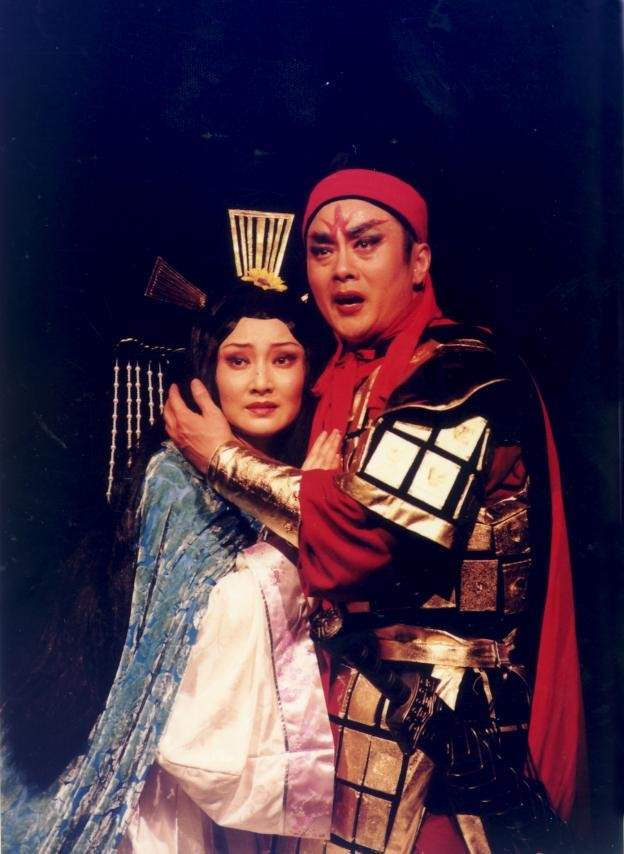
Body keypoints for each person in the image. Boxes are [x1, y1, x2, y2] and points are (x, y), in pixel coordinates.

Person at [164, 168, 584, 853]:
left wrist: (222, 457)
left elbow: (365, 533)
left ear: (418, 262)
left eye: (365, 243)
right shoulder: (339, 383)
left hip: (448, 732)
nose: (341, 268)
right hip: (338, 718)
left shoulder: (463, 373)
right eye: (322, 250)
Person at [2, 275, 337, 853]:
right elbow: (212, 636)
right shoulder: (175, 481)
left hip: (250, 765)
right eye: (238, 361)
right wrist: (294, 527)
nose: (261, 382)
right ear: (208, 372)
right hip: (166, 774)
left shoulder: (300, 467)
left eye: (283, 360)